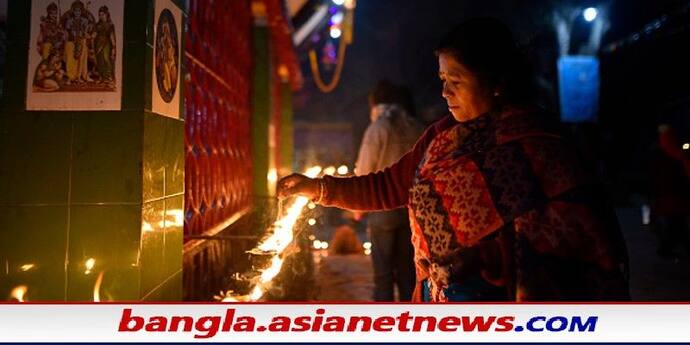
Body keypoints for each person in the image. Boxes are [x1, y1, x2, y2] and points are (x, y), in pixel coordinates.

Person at [279, 18, 629, 302]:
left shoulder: (541, 144)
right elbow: (388, 185)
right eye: (442, 79)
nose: (445, 92)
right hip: (443, 302)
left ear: (495, 82)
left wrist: (487, 260)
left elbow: (579, 240)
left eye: (456, 81)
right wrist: (317, 188)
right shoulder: (439, 138)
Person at [354, 80, 423, 301]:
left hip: (382, 207)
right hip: (411, 208)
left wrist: (357, 204)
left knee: (383, 274)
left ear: (375, 103)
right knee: (407, 273)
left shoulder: (377, 128)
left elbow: (365, 170)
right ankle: (410, 323)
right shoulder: (415, 127)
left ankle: (383, 327)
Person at [648, 124, 690, 258]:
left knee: (677, 222)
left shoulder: (670, 152)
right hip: (671, 193)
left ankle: (673, 246)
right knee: (676, 221)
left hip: (672, 193)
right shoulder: (667, 153)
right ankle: (668, 247)